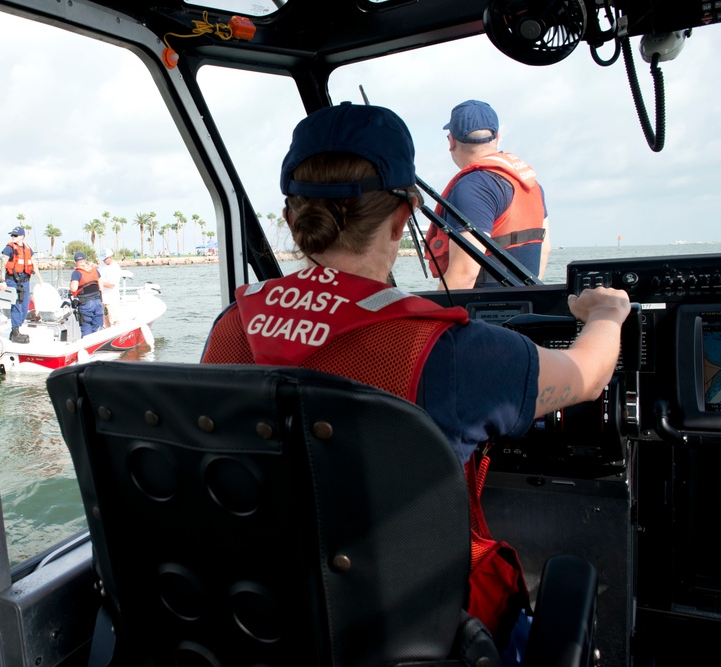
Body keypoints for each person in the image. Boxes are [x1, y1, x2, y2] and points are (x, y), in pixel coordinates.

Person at [200, 102, 631, 647]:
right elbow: (587, 376)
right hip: (403, 634)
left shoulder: (231, 326)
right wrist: (607, 314)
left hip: (260, 624)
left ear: (291, 218)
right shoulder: (448, 351)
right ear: (404, 218)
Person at [423, 100, 551, 289]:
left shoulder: (472, 188)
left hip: (483, 313)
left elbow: (464, 275)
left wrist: (430, 318)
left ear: (451, 141)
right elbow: (544, 250)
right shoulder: (531, 184)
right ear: (497, 136)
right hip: (525, 307)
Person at [1, 225, 34, 343]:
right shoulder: (9, 248)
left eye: (15, 235)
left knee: (25, 305)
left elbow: (32, 262)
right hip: (13, 280)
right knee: (17, 305)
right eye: (12, 235)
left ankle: (17, 329)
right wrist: (2, 281)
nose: (13, 237)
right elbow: (3, 262)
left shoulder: (27, 248)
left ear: (22, 236)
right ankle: (15, 332)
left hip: (25, 281)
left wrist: (40, 279)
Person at [69, 251, 104, 337]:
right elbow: (101, 287)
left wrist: (70, 285)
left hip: (86, 304)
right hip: (98, 302)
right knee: (98, 327)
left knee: (87, 326)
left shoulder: (76, 273)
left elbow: (74, 288)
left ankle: (87, 348)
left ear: (75, 262)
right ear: (84, 260)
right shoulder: (94, 271)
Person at [99, 248, 122, 327]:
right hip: (103, 298)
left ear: (110, 257)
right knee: (105, 318)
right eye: (103, 259)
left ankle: (117, 333)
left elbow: (112, 285)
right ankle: (108, 332)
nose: (104, 261)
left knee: (114, 319)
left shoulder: (115, 268)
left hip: (111, 299)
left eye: (105, 259)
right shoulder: (102, 265)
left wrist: (99, 283)